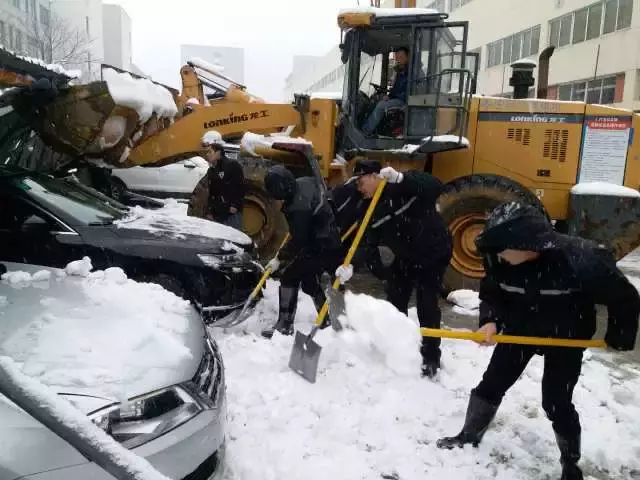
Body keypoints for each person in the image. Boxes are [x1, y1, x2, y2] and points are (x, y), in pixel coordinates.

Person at [436, 201, 640, 480]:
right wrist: (490, 320)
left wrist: (618, 336)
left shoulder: (582, 259)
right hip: (521, 330)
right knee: (491, 385)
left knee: (556, 401)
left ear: (528, 244)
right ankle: (468, 435)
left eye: (504, 249)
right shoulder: (499, 256)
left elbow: (625, 298)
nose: (497, 255)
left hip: (565, 337)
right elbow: (492, 291)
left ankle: (570, 463)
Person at [339, 159, 453, 378]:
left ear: (375, 176)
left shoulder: (402, 187)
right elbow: (365, 243)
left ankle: (431, 357)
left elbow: (435, 185)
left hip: (433, 251)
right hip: (407, 255)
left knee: (426, 302)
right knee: (395, 298)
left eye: (362, 182)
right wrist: (352, 266)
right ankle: (401, 347)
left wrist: (402, 179)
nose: (359, 188)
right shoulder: (368, 207)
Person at [260, 164, 343, 339]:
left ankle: (284, 325)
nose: (277, 200)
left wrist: (279, 259)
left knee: (289, 275)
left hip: (320, 244)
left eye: (277, 196)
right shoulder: (303, 182)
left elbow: (298, 240)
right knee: (309, 281)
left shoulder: (299, 207)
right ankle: (326, 319)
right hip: (326, 238)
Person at [201, 132, 245, 230]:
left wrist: (235, 205)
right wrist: (210, 212)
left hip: (231, 213)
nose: (207, 155)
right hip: (217, 214)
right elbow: (212, 193)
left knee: (233, 240)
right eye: (206, 153)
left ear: (218, 152)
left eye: (209, 152)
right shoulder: (211, 170)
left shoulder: (232, 165)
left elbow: (240, 187)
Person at [362, 47, 409, 137]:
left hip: (404, 101)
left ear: (408, 57)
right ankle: (376, 129)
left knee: (380, 106)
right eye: (398, 57)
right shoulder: (401, 72)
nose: (399, 59)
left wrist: (392, 97)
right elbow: (396, 89)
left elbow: (407, 93)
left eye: (402, 57)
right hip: (398, 98)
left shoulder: (411, 73)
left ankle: (366, 131)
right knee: (376, 99)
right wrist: (389, 96)